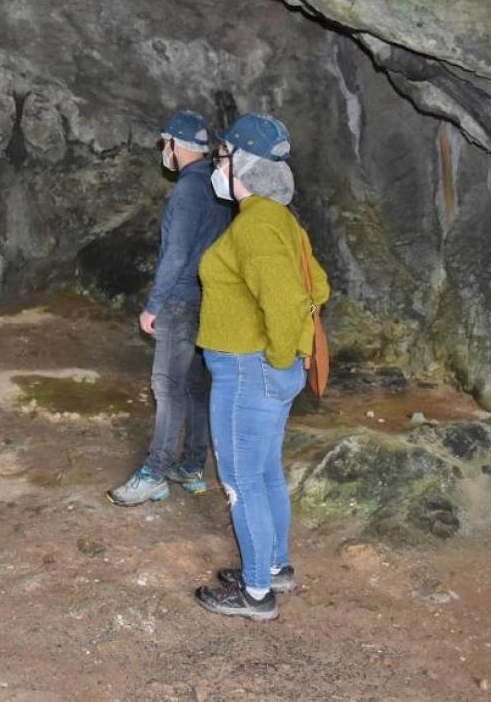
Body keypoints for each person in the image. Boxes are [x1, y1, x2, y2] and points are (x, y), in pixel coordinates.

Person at [192, 113, 329, 621]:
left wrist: (274, 356)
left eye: (222, 156)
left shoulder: (254, 226)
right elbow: (319, 286)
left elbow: (288, 299)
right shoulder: (280, 221)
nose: (217, 164)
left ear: (243, 165)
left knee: (239, 478)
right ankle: (273, 567)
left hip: (248, 369)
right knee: (266, 471)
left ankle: (254, 594)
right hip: (266, 368)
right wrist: (288, 354)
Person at [108, 111, 232, 507]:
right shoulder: (218, 186)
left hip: (179, 301)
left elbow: (176, 253)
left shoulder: (186, 192)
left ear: (177, 146)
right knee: (196, 387)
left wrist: (153, 305)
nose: (166, 151)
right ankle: (192, 467)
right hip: (207, 298)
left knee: (167, 387)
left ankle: (154, 473)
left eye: (166, 144)